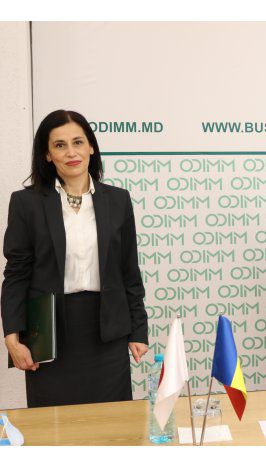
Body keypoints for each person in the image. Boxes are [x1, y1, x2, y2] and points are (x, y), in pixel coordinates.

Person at [2, 110, 148, 407]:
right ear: (47, 154)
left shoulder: (118, 200)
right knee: (54, 426)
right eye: (60, 145)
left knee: (112, 424)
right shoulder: (26, 203)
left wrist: (138, 330)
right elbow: (16, 274)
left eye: (78, 142)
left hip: (108, 332)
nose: (71, 152)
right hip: (49, 334)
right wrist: (11, 335)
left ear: (91, 147)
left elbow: (128, 271)